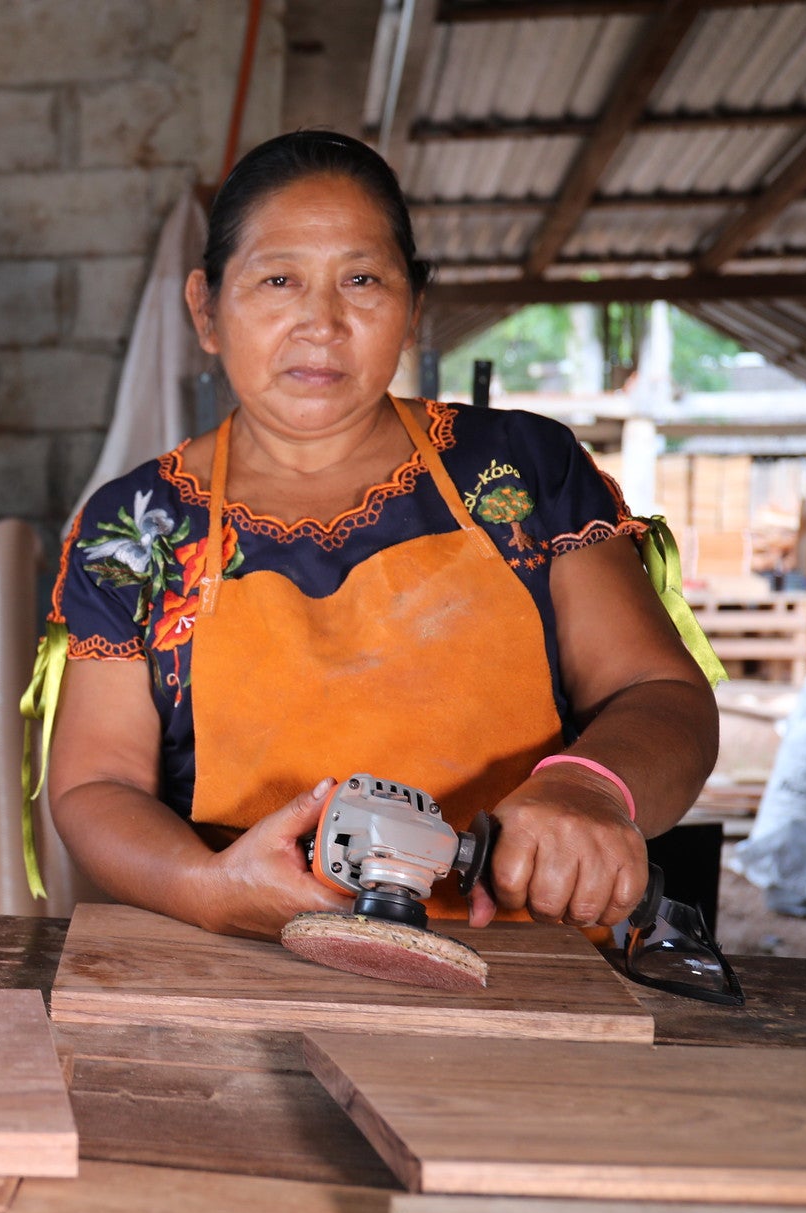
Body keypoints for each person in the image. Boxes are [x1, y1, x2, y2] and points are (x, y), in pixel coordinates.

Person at [40, 131, 720, 938]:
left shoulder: (521, 470)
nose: (321, 322)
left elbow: (662, 694)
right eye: (278, 279)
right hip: (253, 961)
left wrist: (593, 787)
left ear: (412, 308)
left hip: (530, 966)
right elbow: (95, 783)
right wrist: (209, 885)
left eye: (361, 279)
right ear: (207, 309)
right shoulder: (135, 529)